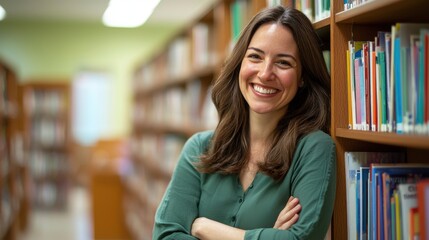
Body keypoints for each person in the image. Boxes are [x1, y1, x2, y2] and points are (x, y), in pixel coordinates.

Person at [153, 5, 336, 240]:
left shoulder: (313, 149)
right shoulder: (199, 148)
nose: (265, 73)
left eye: (283, 63)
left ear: (302, 77)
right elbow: (165, 235)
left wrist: (205, 228)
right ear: (240, 63)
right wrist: (268, 236)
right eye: (255, 57)